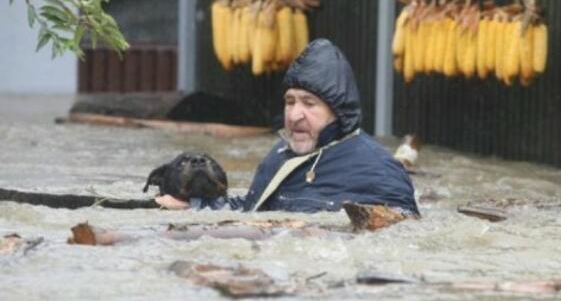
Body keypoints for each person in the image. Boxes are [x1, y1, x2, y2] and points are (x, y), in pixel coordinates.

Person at [156, 38, 419, 214]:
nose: (294, 115)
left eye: (309, 103)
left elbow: (403, 235)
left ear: (338, 112)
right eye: (290, 102)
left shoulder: (379, 171)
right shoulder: (281, 155)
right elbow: (252, 208)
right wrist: (195, 206)